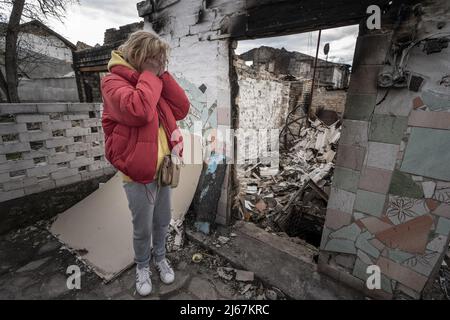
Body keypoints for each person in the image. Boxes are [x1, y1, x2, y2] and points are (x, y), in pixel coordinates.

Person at [100, 31, 190, 296]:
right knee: (142, 228)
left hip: (163, 168)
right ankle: (142, 266)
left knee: (162, 221)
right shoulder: (112, 82)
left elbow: (182, 108)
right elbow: (137, 110)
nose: (160, 63)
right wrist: (151, 75)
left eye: (162, 60)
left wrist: (161, 76)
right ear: (140, 55)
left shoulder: (151, 81)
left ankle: (160, 258)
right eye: (156, 58)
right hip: (138, 173)